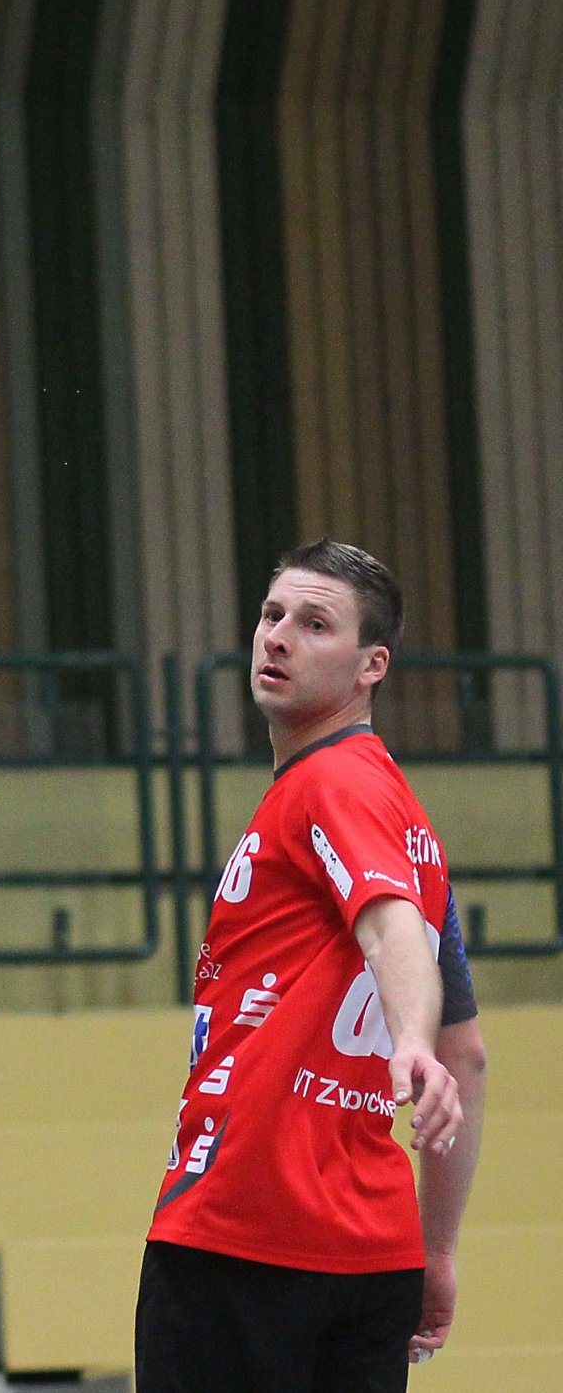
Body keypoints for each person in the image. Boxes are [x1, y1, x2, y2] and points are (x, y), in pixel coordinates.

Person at [138, 539, 486, 1393]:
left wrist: (408, 1039)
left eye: (315, 623)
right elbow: (467, 1054)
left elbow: (388, 926)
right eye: (272, 614)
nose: (278, 636)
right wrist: (438, 1250)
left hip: (246, 1227)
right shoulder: (413, 829)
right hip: (375, 1254)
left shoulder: (330, 784)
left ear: (374, 666)